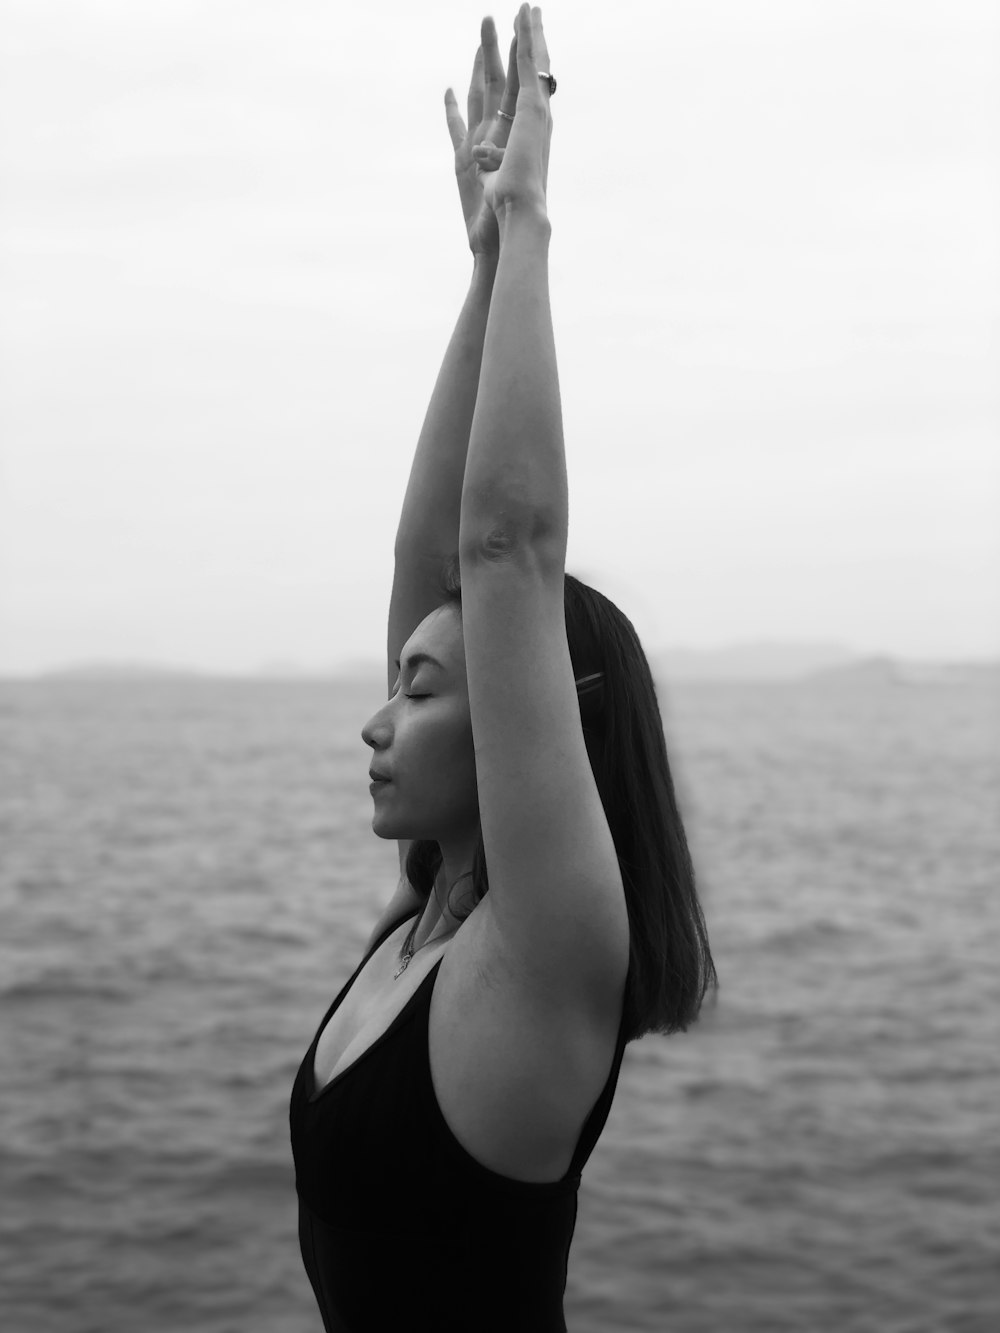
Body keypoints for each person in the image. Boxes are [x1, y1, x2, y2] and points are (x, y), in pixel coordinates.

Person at [288, 9, 716, 1330]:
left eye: (419, 693)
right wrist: (477, 272)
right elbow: (441, 565)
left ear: (532, 734)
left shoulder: (543, 955)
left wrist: (528, 225)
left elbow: (506, 546)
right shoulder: (430, 920)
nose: (378, 718)